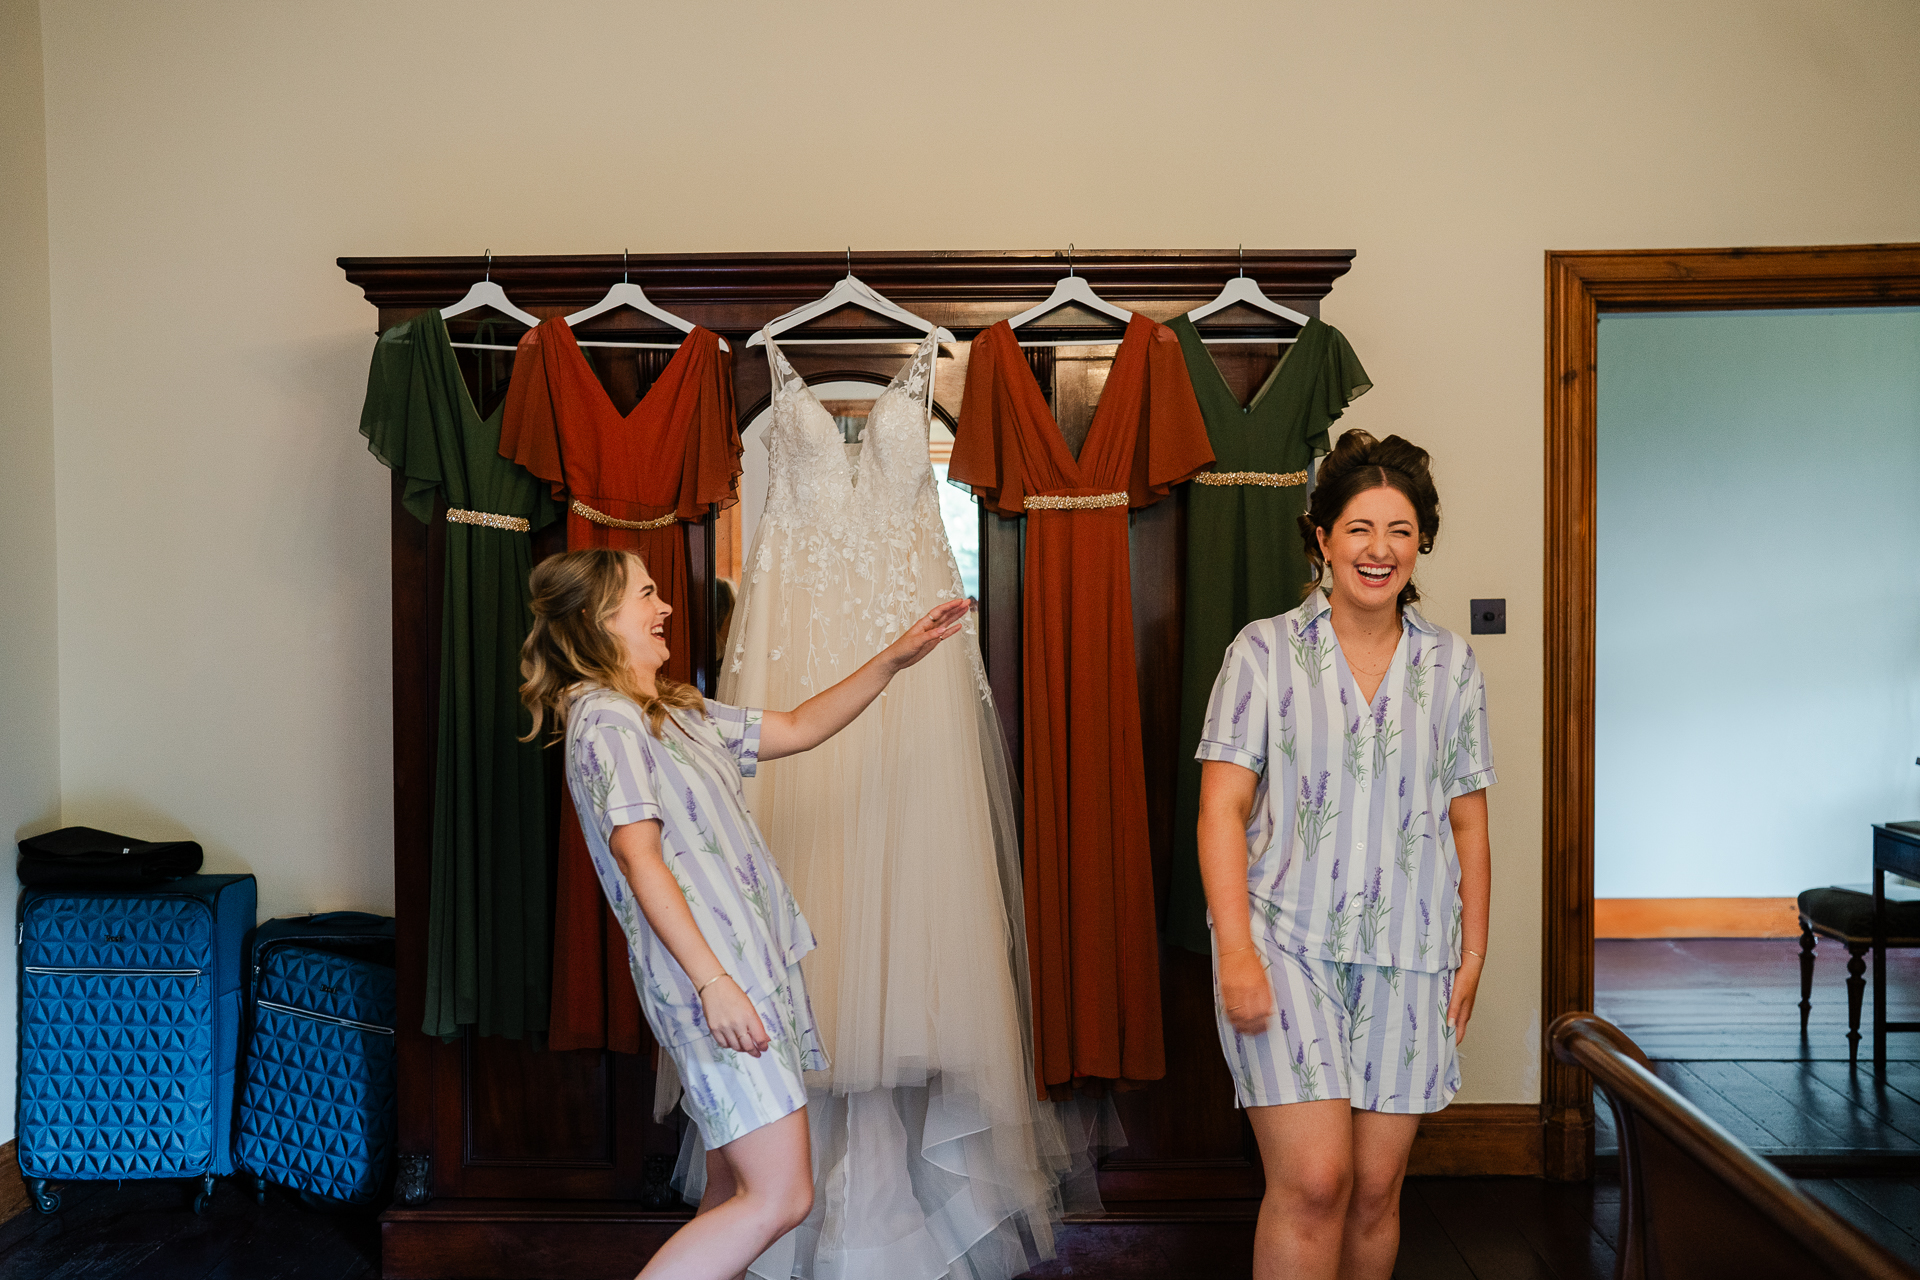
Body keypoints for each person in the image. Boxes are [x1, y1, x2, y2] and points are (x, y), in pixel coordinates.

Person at [519, 547, 969, 1280]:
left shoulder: (671, 713)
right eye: (646, 595)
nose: (664, 608)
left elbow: (795, 725)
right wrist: (713, 984)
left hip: (748, 970)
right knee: (781, 1197)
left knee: (732, 1191)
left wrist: (895, 658)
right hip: (716, 980)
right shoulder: (606, 721)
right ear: (600, 619)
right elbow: (640, 859)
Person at [1195, 430, 1494, 1280]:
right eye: (1359, 528)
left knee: (1373, 1189)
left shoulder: (1452, 666)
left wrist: (1473, 952)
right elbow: (1221, 809)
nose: (1379, 550)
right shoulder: (1262, 653)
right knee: (1317, 1181)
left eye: (1400, 530)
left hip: (1413, 954)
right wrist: (1236, 952)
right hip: (1285, 947)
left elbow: (1467, 820)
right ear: (1321, 536)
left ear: (1422, 541)